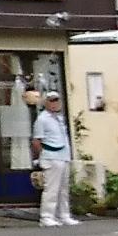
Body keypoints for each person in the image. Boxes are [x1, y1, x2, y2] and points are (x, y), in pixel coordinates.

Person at [29, 91, 77, 227]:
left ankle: (64, 215)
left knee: (63, 189)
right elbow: (36, 141)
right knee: (52, 189)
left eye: (56, 100)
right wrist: (41, 156)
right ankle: (46, 216)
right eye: (51, 100)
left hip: (63, 156)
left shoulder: (59, 118)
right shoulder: (42, 119)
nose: (54, 103)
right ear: (46, 103)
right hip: (51, 157)